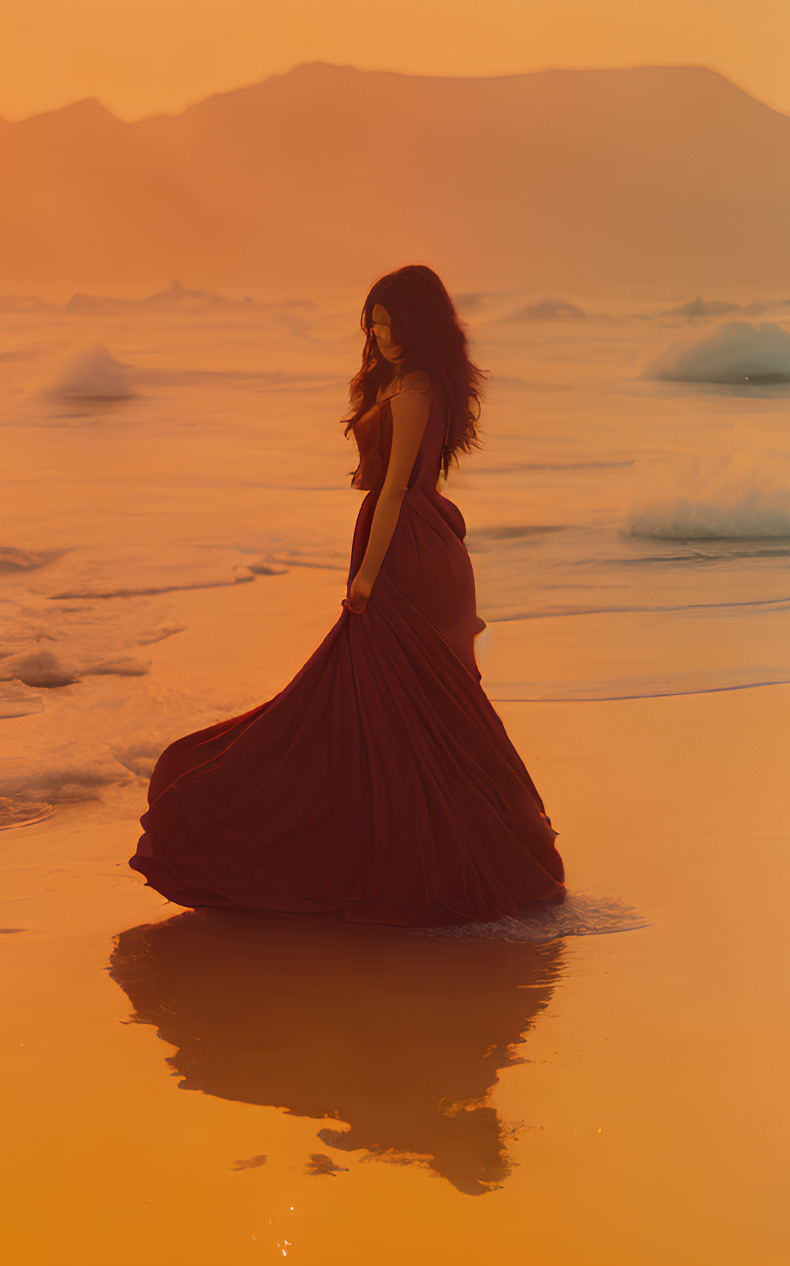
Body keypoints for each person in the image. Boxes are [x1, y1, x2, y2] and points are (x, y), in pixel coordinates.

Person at [130, 264, 567, 927]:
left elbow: (394, 490)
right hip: (416, 544)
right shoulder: (415, 383)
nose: (379, 334)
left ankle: (428, 857)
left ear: (418, 327)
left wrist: (367, 574)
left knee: (394, 704)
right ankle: (439, 849)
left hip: (403, 553)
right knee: (410, 711)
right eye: (373, 322)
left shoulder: (416, 387)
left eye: (391, 323)